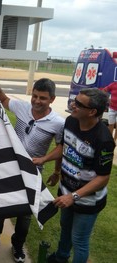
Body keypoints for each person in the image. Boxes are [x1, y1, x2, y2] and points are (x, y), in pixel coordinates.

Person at [0, 74, 65, 262]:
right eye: (34, 96)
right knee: (0, 206)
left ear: (52, 99)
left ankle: (17, 246)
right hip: (9, 168)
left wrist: (48, 163)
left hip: (33, 173)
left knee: (25, 214)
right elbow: (4, 100)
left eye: (42, 98)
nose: (37, 101)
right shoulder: (23, 107)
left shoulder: (58, 123)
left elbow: (61, 147)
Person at [33, 88, 115, 263]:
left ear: (92, 112)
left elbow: (103, 178)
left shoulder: (104, 139)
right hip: (66, 192)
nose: (72, 105)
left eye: (78, 104)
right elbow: (64, 146)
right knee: (65, 228)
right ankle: (61, 257)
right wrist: (44, 159)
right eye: (74, 101)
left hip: (86, 201)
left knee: (79, 240)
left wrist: (74, 196)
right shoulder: (71, 121)